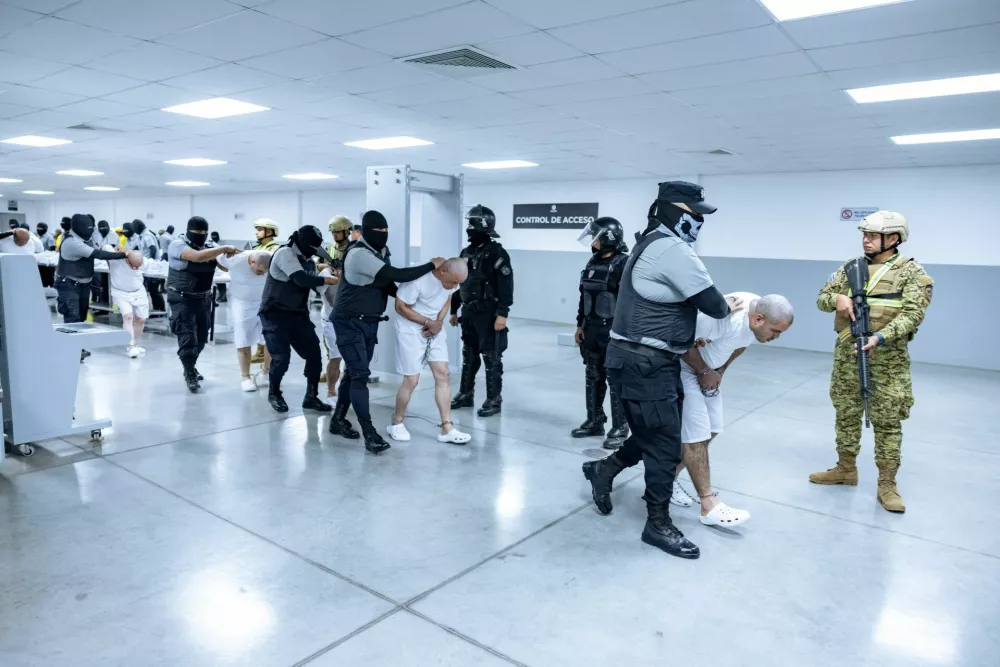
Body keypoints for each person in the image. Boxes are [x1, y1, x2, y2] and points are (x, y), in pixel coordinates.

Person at [581, 181, 741, 561]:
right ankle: (657, 523)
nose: (700, 220)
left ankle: (603, 470)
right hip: (645, 363)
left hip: (638, 360)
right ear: (671, 210)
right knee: (667, 446)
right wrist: (728, 306)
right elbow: (716, 306)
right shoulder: (671, 249)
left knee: (653, 433)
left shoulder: (650, 241)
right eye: (695, 213)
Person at [810, 211, 932, 513]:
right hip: (848, 356)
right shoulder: (850, 268)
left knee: (888, 421)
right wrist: (837, 300)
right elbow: (822, 298)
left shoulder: (912, 273)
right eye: (863, 234)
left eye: (872, 235)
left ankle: (887, 484)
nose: (865, 239)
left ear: (892, 239)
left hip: (887, 360)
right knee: (846, 412)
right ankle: (846, 469)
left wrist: (880, 338)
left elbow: (913, 314)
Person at [669, 293, 794, 528]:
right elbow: (681, 342)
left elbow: (740, 346)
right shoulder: (723, 318)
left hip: (708, 372)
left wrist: (720, 371)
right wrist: (705, 371)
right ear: (758, 319)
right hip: (685, 369)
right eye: (775, 331)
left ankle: (668, 480)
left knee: (713, 429)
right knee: (696, 435)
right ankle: (708, 505)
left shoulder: (757, 311)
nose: (775, 337)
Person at [328, 210, 444, 454]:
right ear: (366, 231)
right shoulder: (359, 253)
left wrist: (409, 304)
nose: (383, 235)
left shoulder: (381, 252)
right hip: (348, 322)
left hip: (369, 322)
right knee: (359, 376)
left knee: (353, 373)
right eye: (378, 232)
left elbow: (387, 285)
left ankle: (338, 420)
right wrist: (431, 265)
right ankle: (370, 433)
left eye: (385, 231)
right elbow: (396, 275)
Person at [388, 258, 472, 445]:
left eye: (458, 283)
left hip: (434, 327)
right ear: (442, 271)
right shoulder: (418, 279)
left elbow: (447, 299)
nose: (454, 286)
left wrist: (438, 323)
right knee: (412, 380)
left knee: (443, 374)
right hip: (410, 329)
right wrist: (427, 322)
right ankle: (397, 422)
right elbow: (400, 307)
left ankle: (446, 428)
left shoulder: (451, 282)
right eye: (453, 282)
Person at [259, 224, 337, 413]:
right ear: (303, 243)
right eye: (312, 247)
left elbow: (316, 287)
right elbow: (301, 279)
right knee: (281, 359)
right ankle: (274, 394)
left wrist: (329, 274)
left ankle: (311, 397)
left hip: (298, 315)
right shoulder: (285, 253)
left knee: (314, 356)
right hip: (275, 314)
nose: (314, 251)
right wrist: (326, 279)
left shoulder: (308, 260)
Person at [449, 205, 514, 418]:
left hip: (489, 314)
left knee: (491, 358)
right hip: (468, 313)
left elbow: (506, 285)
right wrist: (453, 309)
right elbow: (462, 284)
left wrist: (502, 313)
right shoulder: (466, 253)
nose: (468, 229)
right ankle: (465, 394)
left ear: (482, 228)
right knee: (469, 356)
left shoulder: (496, 253)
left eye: (472, 225)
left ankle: (494, 399)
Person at [572, 217, 630, 449]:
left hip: (613, 330)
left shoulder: (624, 264)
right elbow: (583, 298)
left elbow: (629, 302)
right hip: (591, 329)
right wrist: (579, 325)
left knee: (615, 380)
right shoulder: (592, 262)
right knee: (592, 376)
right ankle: (595, 421)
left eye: (595, 237)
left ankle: (620, 427)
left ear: (607, 238)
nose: (592, 242)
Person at [167, 216, 238, 392]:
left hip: (204, 298)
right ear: (190, 230)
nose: (202, 235)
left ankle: (190, 366)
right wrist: (222, 249)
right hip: (182, 298)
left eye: (205, 232)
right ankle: (190, 372)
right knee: (188, 337)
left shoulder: (211, 247)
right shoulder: (177, 244)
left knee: (200, 338)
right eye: (198, 232)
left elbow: (225, 267)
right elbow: (197, 257)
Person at [55, 214, 130, 361]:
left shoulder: (88, 238)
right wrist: (126, 255)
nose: (90, 231)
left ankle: (77, 348)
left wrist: (117, 250)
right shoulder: (71, 242)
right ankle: (71, 351)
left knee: (81, 318)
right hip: (69, 285)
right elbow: (98, 254)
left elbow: (100, 248)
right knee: (73, 317)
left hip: (83, 284)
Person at [217, 250, 272, 391]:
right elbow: (216, 257)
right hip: (242, 303)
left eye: (264, 272)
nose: (261, 274)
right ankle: (245, 377)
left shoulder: (270, 258)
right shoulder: (236, 260)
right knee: (243, 339)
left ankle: (265, 371)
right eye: (259, 271)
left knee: (271, 339)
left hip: (264, 302)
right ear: (251, 262)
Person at [316, 216, 354, 397]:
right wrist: (323, 266)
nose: (335, 235)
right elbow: (315, 267)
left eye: (338, 231)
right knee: (334, 356)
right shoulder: (328, 249)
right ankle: (331, 392)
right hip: (330, 307)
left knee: (352, 358)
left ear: (347, 231)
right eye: (333, 232)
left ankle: (347, 391)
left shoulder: (354, 249)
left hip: (350, 308)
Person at [105, 247, 151, 358]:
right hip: (121, 293)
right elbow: (105, 248)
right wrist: (119, 250)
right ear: (127, 260)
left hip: (138, 292)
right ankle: (131, 346)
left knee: (141, 319)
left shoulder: (144, 262)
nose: (135, 268)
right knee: (128, 317)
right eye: (133, 266)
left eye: (138, 267)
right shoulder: (115, 260)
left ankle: (135, 343)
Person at [249, 219, 281, 363]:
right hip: (256, 290)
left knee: (266, 324)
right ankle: (260, 352)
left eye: (260, 229)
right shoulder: (258, 247)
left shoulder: (274, 248)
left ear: (269, 231)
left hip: (268, 291)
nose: (257, 232)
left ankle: (267, 355)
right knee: (258, 323)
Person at [130, 219, 166, 313]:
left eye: (134, 228)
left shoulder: (147, 236)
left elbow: (153, 249)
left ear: (138, 227)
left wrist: (150, 262)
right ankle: (156, 309)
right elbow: (135, 248)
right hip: (145, 267)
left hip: (152, 267)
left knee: (154, 289)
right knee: (150, 289)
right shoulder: (140, 236)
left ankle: (161, 309)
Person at [210, 231, 228, 303]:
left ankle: (222, 297)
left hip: (221, 265)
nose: (214, 237)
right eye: (212, 236)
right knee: (218, 282)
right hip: (216, 265)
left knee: (221, 282)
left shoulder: (221, 244)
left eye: (215, 236)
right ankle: (221, 296)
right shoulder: (211, 244)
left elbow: (222, 252)